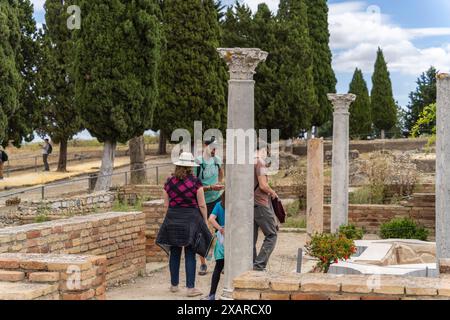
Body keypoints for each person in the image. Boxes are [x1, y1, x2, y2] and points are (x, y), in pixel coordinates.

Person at [156, 152, 213, 298]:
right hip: (190, 221)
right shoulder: (195, 182)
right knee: (190, 253)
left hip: (173, 218)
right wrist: (205, 222)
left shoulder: (169, 182)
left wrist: (170, 218)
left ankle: (174, 286)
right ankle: (190, 288)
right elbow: (202, 205)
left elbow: (166, 205)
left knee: (174, 252)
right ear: (190, 167)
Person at [194, 136, 224, 276]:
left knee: (220, 231)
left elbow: (221, 174)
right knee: (202, 231)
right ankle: (203, 264)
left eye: (216, 147)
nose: (214, 150)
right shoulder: (198, 163)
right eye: (212, 147)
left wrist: (219, 185)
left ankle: (221, 262)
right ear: (205, 146)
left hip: (217, 200)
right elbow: (194, 186)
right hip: (202, 202)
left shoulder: (217, 161)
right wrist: (210, 187)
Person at [253, 142, 279, 272]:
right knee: (272, 234)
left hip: (248, 204)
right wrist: (273, 192)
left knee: (250, 238)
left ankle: (250, 264)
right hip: (260, 203)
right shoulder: (260, 163)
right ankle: (259, 265)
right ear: (263, 150)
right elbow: (263, 185)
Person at [202, 192, 226, 301]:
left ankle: (212, 295)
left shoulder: (219, 205)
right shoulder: (235, 206)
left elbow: (211, 219)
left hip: (222, 240)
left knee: (218, 267)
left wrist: (220, 229)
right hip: (235, 239)